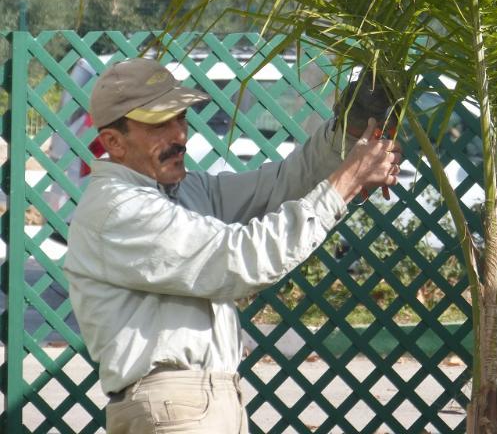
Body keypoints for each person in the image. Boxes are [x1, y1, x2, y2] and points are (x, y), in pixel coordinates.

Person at [62, 58, 402, 434]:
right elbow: (242, 259)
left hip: (200, 403)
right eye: (160, 124)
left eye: (180, 118)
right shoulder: (119, 209)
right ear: (113, 142)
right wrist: (346, 180)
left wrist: (349, 134)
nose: (180, 136)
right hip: (174, 410)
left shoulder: (185, 190)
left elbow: (282, 184)